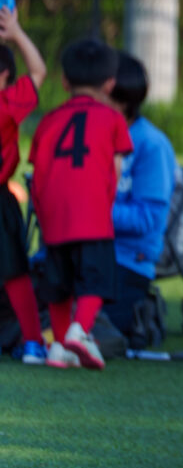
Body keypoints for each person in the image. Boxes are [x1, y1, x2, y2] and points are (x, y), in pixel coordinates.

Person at [30, 37, 133, 370]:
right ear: (110, 84)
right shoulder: (113, 118)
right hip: (91, 213)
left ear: (64, 81)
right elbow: (115, 168)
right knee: (95, 279)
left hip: (53, 215)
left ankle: (60, 347)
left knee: (58, 286)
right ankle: (80, 331)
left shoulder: (48, 120)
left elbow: (38, 171)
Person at [102, 52, 176, 347]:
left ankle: (143, 312)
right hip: (79, 254)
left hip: (126, 260)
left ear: (119, 98)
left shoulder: (150, 144)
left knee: (98, 331)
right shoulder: (89, 133)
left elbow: (148, 218)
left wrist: (90, 213)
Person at [0, 4, 47, 364]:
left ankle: (31, 340)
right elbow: (38, 71)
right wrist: (16, 33)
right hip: (1, 203)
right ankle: (33, 342)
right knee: (15, 274)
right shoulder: (7, 104)